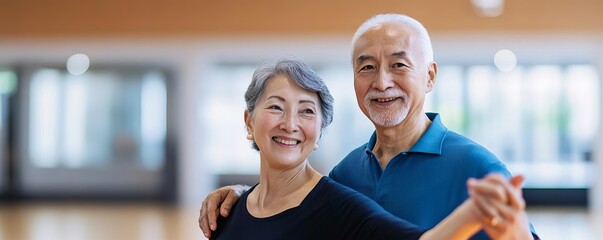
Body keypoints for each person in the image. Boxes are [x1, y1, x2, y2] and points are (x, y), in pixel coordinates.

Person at [200, 14, 539, 239]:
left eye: (398, 65)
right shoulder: (345, 174)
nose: (382, 82)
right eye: (367, 68)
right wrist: (244, 198)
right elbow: (296, 208)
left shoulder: (479, 167)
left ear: (430, 75)